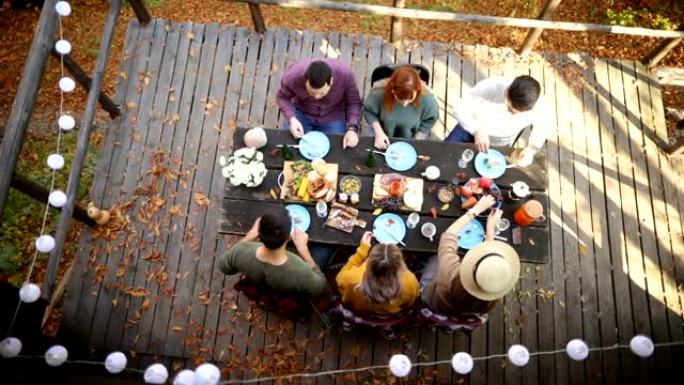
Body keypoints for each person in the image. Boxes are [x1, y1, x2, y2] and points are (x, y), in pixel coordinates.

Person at [421, 195, 521, 316]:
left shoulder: (451, 274)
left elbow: (448, 238)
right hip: (456, 312)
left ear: (472, 267)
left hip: (432, 299)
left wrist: (475, 210)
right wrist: (490, 229)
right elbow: (488, 270)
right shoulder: (491, 294)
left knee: (435, 258)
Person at [445, 75, 553, 166]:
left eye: (515, 113)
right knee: (443, 155)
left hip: (501, 141)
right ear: (507, 91)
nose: (510, 113)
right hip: (470, 128)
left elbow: (542, 128)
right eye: (509, 108)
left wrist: (531, 149)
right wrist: (477, 130)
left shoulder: (541, 108)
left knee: (486, 171)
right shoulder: (492, 86)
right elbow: (459, 107)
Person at [218, 211, 328, 298]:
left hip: (260, 282)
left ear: (259, 233)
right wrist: (303, 250)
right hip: (288, 290)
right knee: (324, 249)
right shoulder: (301, 270)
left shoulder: (240, 251)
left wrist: (250, 235)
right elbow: (321, 288)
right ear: (289, 237)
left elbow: (224, 267)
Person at [276, 59, 362, 149]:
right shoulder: (292, 76)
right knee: (289, 144)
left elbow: (353, 102)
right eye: (312, 92)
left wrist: (352, 128)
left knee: (336, 148)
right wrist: (292, 119)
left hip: (333, 115)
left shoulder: (345, 75)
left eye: (321, 93)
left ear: (331, 81)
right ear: (306, 80)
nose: (316, 97)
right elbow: (282, 97)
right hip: (302, 112)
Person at [335, 232, 420, 316]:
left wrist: (362, 250)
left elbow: (339, 279)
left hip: (359, 310)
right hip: (388, 315)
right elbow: (410, 302)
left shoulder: (353, 278)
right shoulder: (411, 282)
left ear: (369, 263)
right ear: (401, 264)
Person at [363, 66, 439, 149]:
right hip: (381, 131)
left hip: (413, 136)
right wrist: (379, 133)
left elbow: (431, 119)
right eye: (400, 98)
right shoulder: (378, 93)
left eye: (410, 99)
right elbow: (368, 111)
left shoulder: (428, 100)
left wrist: (418, 138)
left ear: (417, 91)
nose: (404, 104)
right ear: (393, 91)